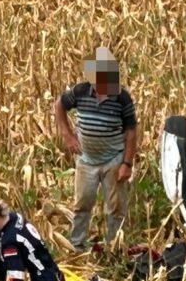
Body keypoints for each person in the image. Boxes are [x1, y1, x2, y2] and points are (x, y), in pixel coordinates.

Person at [54, 47, 138, 252]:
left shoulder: (122, 98)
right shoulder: (80, 91)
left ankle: (114, 247)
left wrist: (126, 164)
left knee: (116, 207)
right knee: (82, 204)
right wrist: (68, 136)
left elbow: (131, 132)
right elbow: (59, 105)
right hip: (86, 159)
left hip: (113, 159)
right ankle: (77, 246)